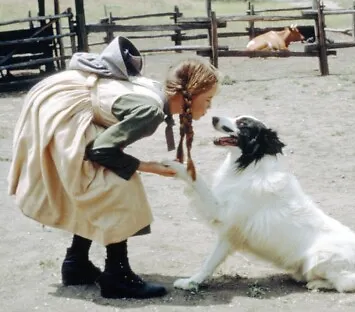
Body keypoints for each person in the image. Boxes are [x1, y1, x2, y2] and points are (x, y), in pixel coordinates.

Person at [7, 36, 219, 299]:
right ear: (190, 94)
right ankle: (117, 277)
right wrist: (148, 167)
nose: (209, 108)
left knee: (98, 181)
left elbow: (106, 144)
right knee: (117, 185)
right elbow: (100, 150)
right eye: (208, 99)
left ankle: (77, 264)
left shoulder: (155, 93)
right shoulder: (151, 111)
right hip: (66, 112)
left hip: (71, 106)